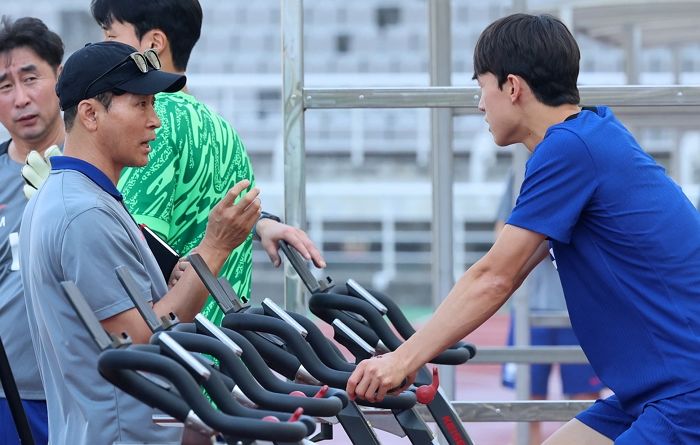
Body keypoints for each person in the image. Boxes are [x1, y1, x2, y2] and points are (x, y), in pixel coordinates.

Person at [346, 13, 700, 445]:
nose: (479, 105)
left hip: (684, 393)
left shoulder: (569, 149)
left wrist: (403, 360)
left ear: (512, 87)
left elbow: (495, 276)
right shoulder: (591, 133)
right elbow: (505, 270)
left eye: (482, 87)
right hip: (650, 391)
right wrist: (411, 354)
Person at [20, 40, 261, 444]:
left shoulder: (76, 197)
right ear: (91, 114)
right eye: (142, 105)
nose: (156, 121)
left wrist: (179, 281)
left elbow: (128, 321)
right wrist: (214, 249)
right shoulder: (84, 214)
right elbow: (141, 343)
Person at [89, 0, 325, 323]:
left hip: (176, 354)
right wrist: (262, 223)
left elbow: (130, 249)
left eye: (112, 38)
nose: (104, 50)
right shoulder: (223, 129)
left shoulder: (150, 125)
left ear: (154, 44)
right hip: (228, 351)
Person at [496, 171, 603, 444]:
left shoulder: (585, 170)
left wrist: (543, 236)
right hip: (531, 305)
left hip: (582, 307)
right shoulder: (523, 172)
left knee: (586, 402)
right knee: (528, 404)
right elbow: (503, 238)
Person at [0, 16, 64, 445]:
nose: (21, 98)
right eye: (5, 86)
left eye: (30, 78)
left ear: (60, 76)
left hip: (84, 389)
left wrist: (260, 224)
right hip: (8, 395)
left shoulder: (98, 167)